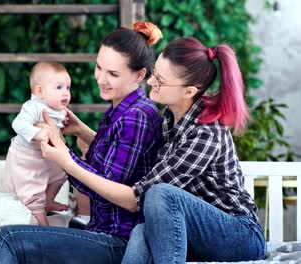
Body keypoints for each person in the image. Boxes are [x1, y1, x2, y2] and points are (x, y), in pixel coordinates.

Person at [41, 37, 266, 263]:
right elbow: (145, 158)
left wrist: (67, 161)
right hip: (194, 230)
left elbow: (138, 197)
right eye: (155, 73)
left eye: (160, 80)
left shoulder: (206, 133)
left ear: (188, 91)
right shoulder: (171, 116)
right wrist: (82, 131)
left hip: (239, 235)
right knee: (139, 233)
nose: (150, 82)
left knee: (160, 194)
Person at [0, 21, 163, 263]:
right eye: (99, 67)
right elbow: (114, 158)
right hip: (101, 229)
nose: (101, 79)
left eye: (113, 74)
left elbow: (107, 187)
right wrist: (81, 131)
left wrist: (63, 155)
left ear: (139, 75)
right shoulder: (122, 108)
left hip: (118, 241)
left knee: (7, 238)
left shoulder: (137, 117)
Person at [6, 61, 72, 226]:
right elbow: (18, 124)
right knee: (32, 191)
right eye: (59, 87)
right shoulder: (34, 106)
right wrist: (38, 133)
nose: (65, 93)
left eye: (68, 88)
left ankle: (49, 200)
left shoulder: (58, 109)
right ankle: (41, 220)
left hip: (46, 156)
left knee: (62, 173)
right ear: (40, 91)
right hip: (27, 159)